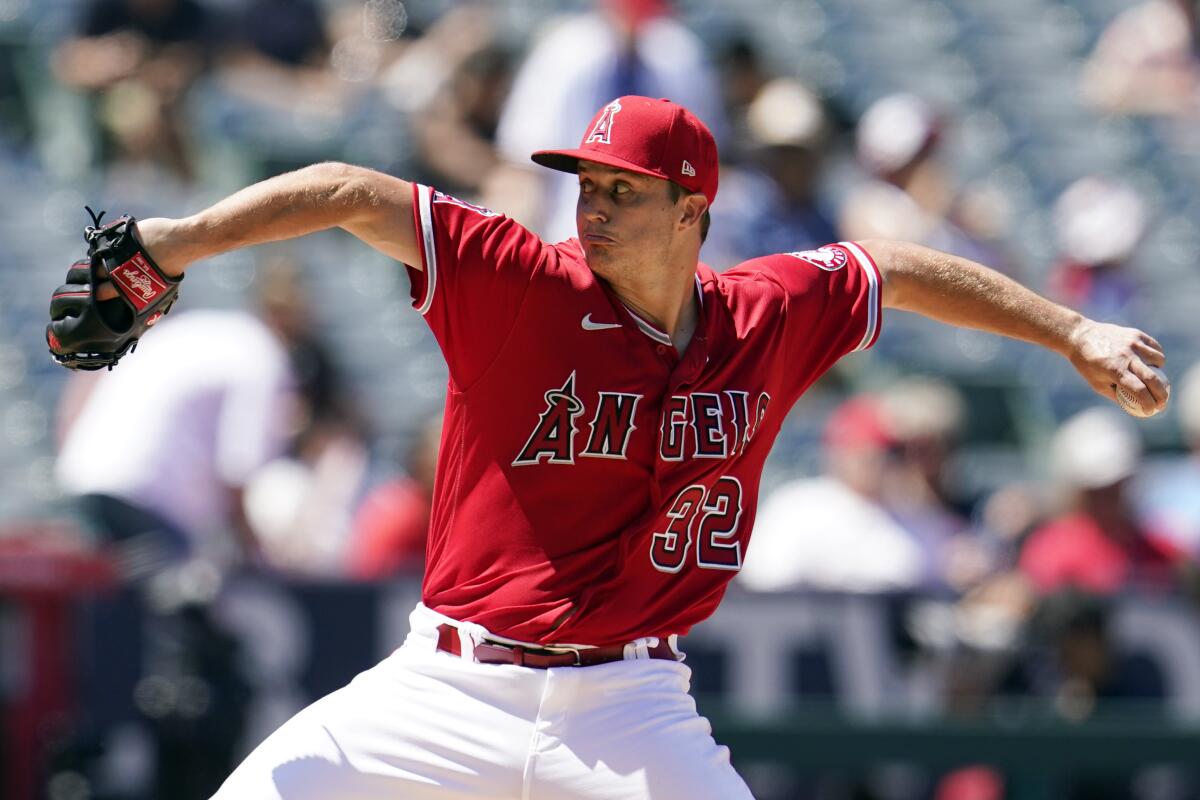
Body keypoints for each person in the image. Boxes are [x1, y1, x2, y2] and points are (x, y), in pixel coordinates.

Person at [69, 94, 1170, 799]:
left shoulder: (765, 311)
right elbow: (353, 194)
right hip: (443, 689)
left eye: (622, 192)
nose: (590, 209)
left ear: (692, 209)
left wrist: (1072, 327)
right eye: (585, 185)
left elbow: (895, 265)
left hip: (631, 708)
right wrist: (171, 243)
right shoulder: (522, 283)